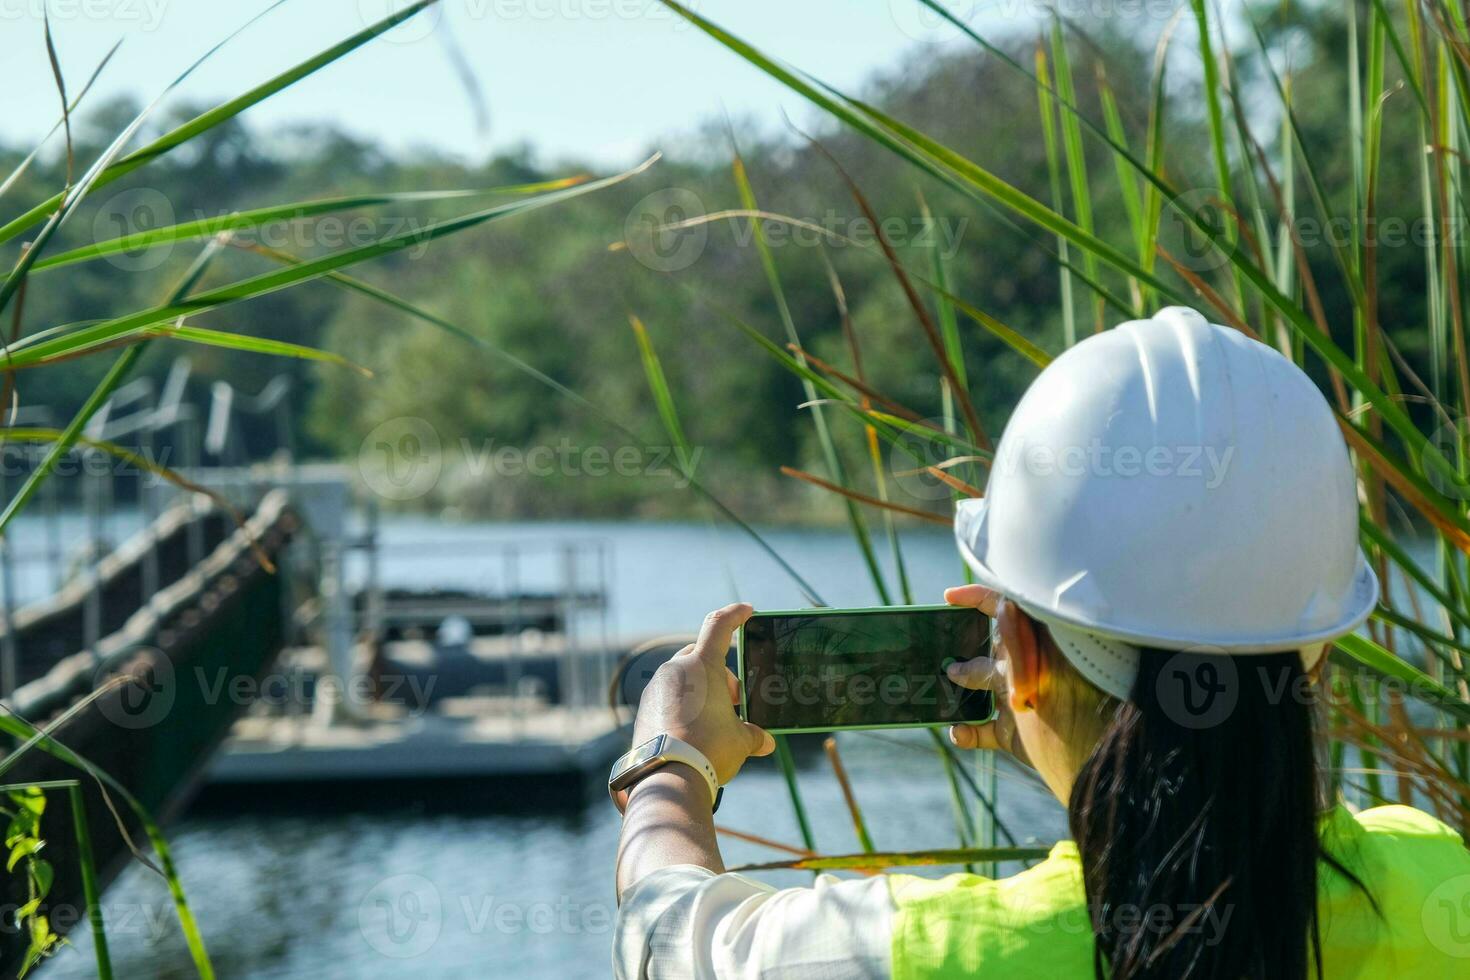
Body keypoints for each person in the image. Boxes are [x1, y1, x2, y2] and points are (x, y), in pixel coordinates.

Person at [610, 307, 1470, 978]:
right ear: (1317, 648)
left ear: (1016, 647)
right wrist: (1098, 759)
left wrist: (668, 763)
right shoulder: (1438, 881)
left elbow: (667, 939)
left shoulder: (929, 955)